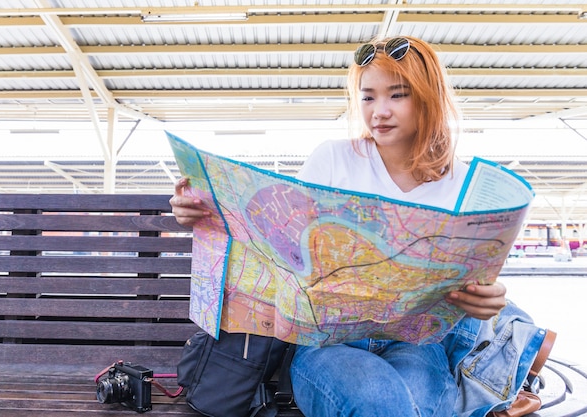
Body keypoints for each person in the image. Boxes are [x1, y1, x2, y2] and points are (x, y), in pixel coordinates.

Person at [170, 35, 535, 417]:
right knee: (382, 404)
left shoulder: (462, 183)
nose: (379, 111)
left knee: (411, 407)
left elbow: (475, 280)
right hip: (328, 345)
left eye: (397, 95)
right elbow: (276, 243)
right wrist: (201, 211)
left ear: (429, 97)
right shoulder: (333, 159)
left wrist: (488, 298)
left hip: (417, 344)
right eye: (368, 96)